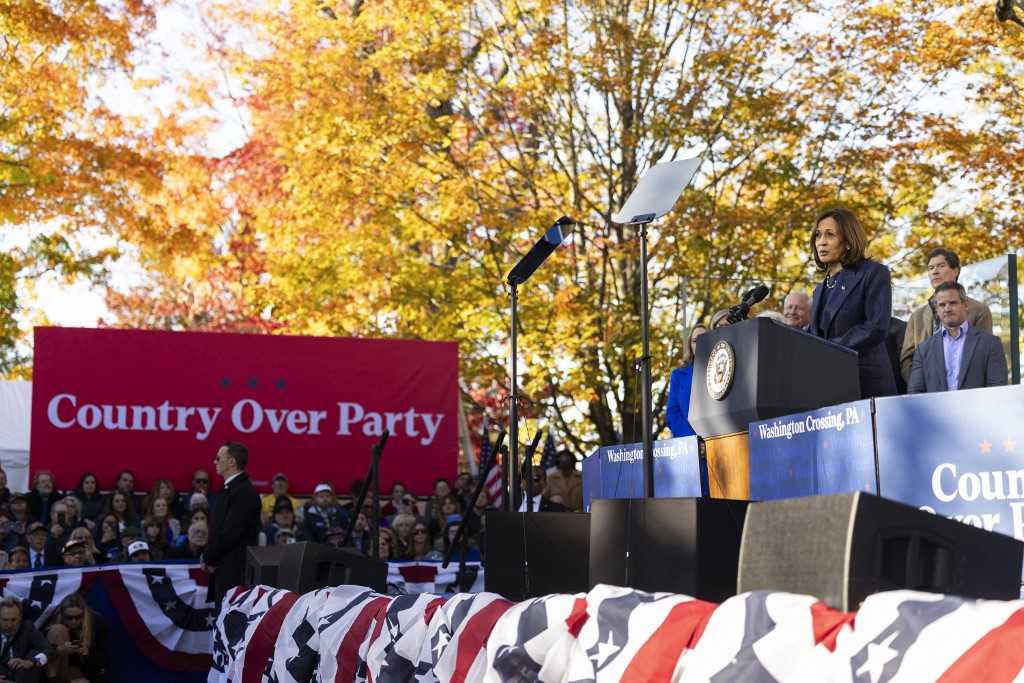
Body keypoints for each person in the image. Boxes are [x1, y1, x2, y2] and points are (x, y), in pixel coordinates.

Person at [808, 208, 897, 398]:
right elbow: (814, 336)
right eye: (818, 235)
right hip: (828, 388)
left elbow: (876, 327)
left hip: (866, 384)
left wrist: (830, 349)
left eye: (830, 235)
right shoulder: (819, 290)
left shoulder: (873, 273)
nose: (821, 242)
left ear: (847, 241)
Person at [900, 247, 994, 385]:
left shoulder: (979, 311)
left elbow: (985, 356)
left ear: (956, 270)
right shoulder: (917, 316)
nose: (935, 271)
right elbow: (906, 359)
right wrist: (920, 384)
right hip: (926, 394)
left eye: (940, 266)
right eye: (931, 268)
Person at [907, 282, 1008, 393]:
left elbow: (997, 391)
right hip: (937, 410)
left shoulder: (990, 344)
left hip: (976, 410)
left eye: (952, 303)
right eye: (942, 305)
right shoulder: (923, 350)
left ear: (965, 304)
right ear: (936, 309)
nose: (947, 309)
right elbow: (915, 393)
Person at [204, 442, 262, 603]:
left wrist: (208, 557)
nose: (214, 462)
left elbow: (230, 533)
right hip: (223, 568)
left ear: (231, 461)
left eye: (218, 458)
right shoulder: (230, 490)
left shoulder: (243, 492)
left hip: (235, 573)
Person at [44, 593, 107, 683]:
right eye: (69, 618)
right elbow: (40, 651)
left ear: (84, 614)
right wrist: (60, 650)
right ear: (62, 615)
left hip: (80, 670)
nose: (74, 621)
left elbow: (102, 659)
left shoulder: (96, 623)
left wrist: (86, 653)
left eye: (78, 617)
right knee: (58, 630)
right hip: (55, 670)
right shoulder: (52, 620)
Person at [665, 324, 707, 438]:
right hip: (689, 444)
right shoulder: (678, 375)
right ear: (690, 346)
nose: (699, 343)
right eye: (694, 341)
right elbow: (673, 414)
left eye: (703, 338)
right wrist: (695, 440)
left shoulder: (720, 369)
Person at [0, 597, 51, 683]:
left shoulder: (27, 628)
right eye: (5, 620)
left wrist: (31, 662)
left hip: (22, 676)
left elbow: (48, 649)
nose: (9, 625)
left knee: (34, 653)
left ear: (20, 618)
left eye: (13, 620)